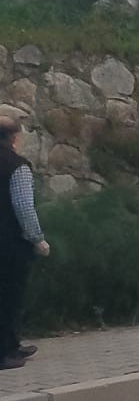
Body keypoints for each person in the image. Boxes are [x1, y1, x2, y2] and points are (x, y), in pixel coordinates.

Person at [1, 116, 50, 370]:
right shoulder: (16, 165)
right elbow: (23, 206)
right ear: (14, 138)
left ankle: (11, 343)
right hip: (9, 244)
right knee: (9, 296)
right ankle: (5, 352)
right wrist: (38, 239)